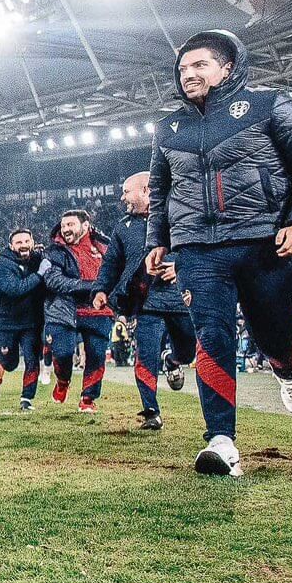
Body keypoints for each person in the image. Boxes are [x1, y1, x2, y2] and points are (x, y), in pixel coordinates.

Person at [147, 29, 292, 475]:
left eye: (199, 65)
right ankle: (222, 442)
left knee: (271, 329)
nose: (187, 73)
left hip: (261, 241)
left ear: (227, 68)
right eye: (183, 67)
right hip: (196, 250)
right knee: (214, 336)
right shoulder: (170, 126)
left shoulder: (269, 105)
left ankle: (288, 370)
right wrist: (157, 239)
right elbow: (159, 190)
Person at [94, 172, 193, 430]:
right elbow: (111, 263)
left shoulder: (179, 215)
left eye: (127, 191)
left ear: (147, 190)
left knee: (189, 351)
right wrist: (101, 289)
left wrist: (180, 267)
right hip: (146, 303)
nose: (123, 197)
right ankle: (151, 412)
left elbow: (197, 249)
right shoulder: (123, 227)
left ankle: (172, 360)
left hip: (179, 299)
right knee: (145, 356)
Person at [40, 210, 114, 414]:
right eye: (63, 226)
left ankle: (88, 398)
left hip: (99, 310)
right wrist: (89, 286)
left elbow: (117, 271)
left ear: (85, 225)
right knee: (62, 353)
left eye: (70, 225)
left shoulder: (105, 244)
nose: (65, 230)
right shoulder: (54, 251)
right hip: (64, 310)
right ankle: (62, 381)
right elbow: (53, 280)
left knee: (97, 356)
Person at [0, 233, 48, 411]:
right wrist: (39, 274)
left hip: (30, 321)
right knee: (9, 364)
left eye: (27, 241)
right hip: (6, 321)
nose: (23, 245)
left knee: (32, 359)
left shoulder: (36, 259)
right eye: (19, 242)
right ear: (11, 245)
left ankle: (27, 398)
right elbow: (15, 289)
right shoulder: (1, 265)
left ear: (33, 243)